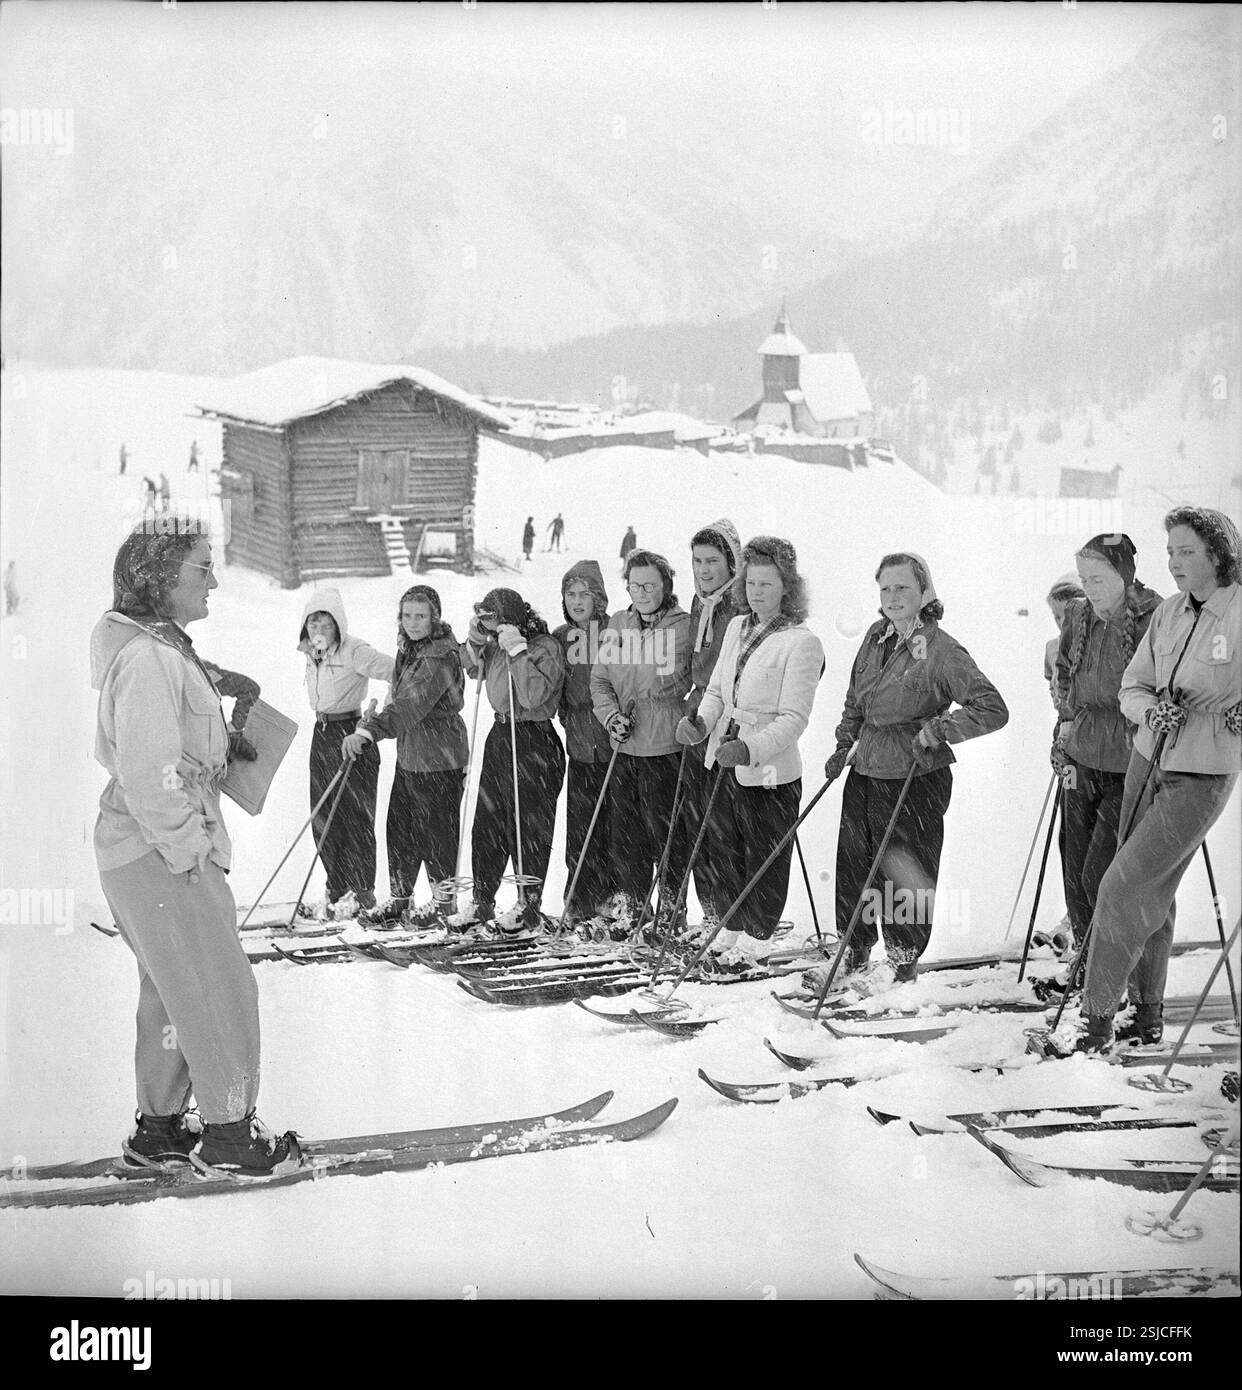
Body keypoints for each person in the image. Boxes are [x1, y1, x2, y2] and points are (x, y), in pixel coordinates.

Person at [91, 522, 300, 1177]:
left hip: (135, 853)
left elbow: (160, 752)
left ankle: (161, 1132)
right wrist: (191, 853)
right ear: (159, 581)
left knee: (173, 996)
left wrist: (215, 750)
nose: (212, 580)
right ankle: (232, 1138)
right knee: (219, 993)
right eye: (200, 569)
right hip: (161, 853)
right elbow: (150, 776)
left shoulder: (153, 649)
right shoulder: (151, 659)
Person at [1072, 508, 1241, 1053]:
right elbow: (1132, 686)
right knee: (1152, 891)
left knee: (1121, 884)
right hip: (1149, 758)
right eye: (1169, 552)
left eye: (1186, 551)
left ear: (1217, 554)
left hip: (1202, 771)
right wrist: (1149, 711)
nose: (1173, 563)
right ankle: (1147, 1015)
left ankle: (1095, 1021)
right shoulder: (1169, 613)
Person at [813, 552, 1008, 986]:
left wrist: (941, 729)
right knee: (854, 867)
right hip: (866, 770)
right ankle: (855, 953)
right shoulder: (875, 636)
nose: (892, 596)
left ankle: (901, 963)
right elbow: (854, 702)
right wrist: (844, 742)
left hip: (915, 776)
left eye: (902, 587)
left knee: (904, 873)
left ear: (925, 592)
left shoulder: (941, 649)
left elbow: (992, 708)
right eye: (885, 588)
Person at [677, 536, 824, 973]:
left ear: (787, 588)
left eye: (768, 583)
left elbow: (794, 718)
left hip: (769, 770)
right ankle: (731, 928)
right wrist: (702, 723)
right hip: (723, 756)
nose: (757, 591)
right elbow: (719, 690)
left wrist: (750, 748)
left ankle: (758, 937)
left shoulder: (802, 642)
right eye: (752, 583)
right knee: (724, 850)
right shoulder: (737, 626)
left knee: (763, 855)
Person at [1050, 535, 1162, 967]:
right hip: (1081, 758)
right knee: (1075, 870)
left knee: (1101, 872)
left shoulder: (1154, 615)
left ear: (1124, 574)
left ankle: (1107, 965)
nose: (1089, 587)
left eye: (1098, 578)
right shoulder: (1078, 614)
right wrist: (1063, 729)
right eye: (1083, 578)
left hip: (1131, 759)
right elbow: (1065, 676)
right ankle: (1085, 956)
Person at [344, 585, 468, 929]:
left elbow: (411, 705)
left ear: (435, 618)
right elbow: (400, 696)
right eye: (407, 615)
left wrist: (371, 731)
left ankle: (444, 901)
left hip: (440, 756)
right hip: (412, 754)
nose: (413, 623)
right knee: (400, 828)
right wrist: (376, 716)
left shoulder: (439, 657)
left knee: (437, 833)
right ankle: (401, 898)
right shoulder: (411, 648)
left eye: (421, 616)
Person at [591, 550, 692, 934]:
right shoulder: (619, 623)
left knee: (666, 834)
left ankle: (671, 911)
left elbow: (698, 680)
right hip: (624, 745)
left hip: (664, 744)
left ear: (666, 584)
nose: (643, 592)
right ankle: (634, 906)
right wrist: (610, 717)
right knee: (625, 834)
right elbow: (600, 680)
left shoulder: (683, 625)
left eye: (650, 585)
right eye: (635, 586)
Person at [460, 587, 566, 930]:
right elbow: (472, 669)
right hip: (501, 736)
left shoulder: (545, 646)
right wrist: (476, 639)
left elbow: (533, 695)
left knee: (529, 827)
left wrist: (518, 651)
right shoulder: (494, 644)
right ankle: (481, 900)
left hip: (535, 738)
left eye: (495, 620)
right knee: (488, 822)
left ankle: (528, 903)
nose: (491, 627)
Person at [296, 588, 394, 915]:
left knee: (355, 819)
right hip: (321, 734)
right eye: (313, 622)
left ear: (338, 624)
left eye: (326, 622)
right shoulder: (312, 653)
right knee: (324, 817)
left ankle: (362, 892)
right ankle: (336, 888)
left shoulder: (355, 650)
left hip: (351, 735)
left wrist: (375, 722)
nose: (319, 629)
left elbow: (400, 672)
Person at [679, 520, 745, 935]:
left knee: (723, 826)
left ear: (731, 562)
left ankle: (732, 914)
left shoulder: (739, 606)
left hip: (730, 720)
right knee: (695, 821)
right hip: (699, 713)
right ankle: (710, 913)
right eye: (697, 561)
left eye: (713, 561)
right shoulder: (698, 602)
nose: (704, 569)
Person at [552, 560, 615, 927]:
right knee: (580, 827)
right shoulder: (561, 636)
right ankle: (580, 898)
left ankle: (614, 897)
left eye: (584, 594)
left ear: (598, 598)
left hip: (614, 743)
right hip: (578, 744)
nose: (577, 601)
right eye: (570, 594)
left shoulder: (614, 631)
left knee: (613, 825)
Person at [1044, 575, 1085, 709]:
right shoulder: (1052, 647)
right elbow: (1052, 681)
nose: (1062, 622)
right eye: (1057, 616)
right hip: (1065, 722)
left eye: (1067, 615)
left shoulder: (1092, 643)